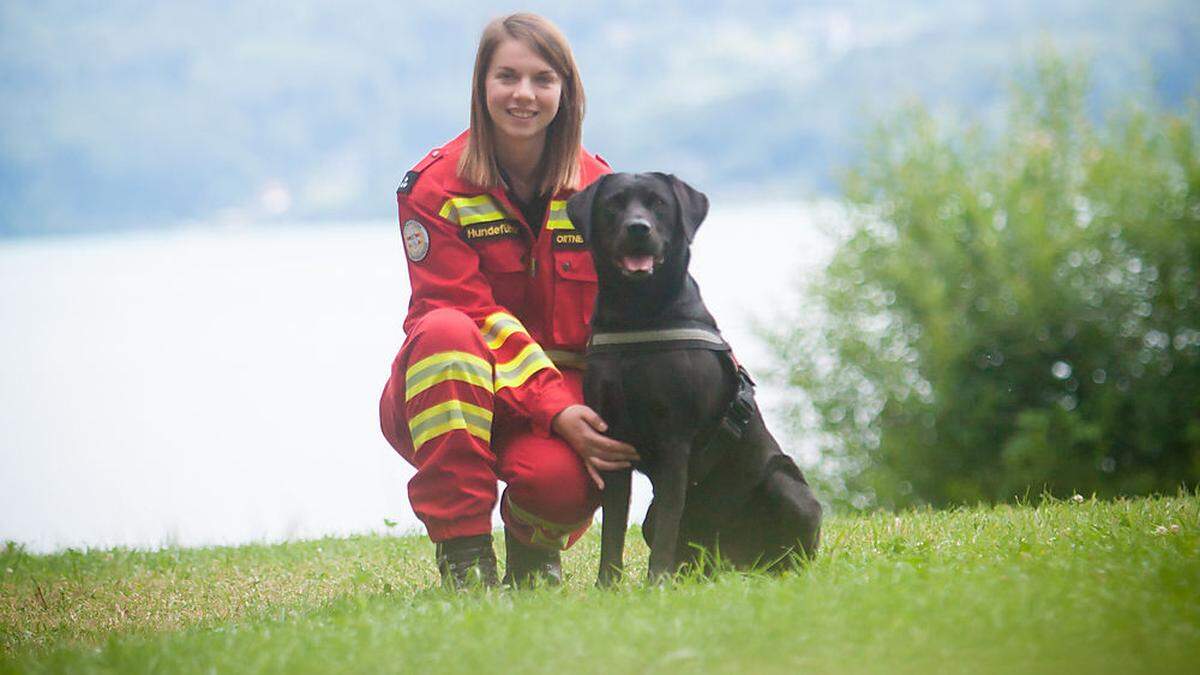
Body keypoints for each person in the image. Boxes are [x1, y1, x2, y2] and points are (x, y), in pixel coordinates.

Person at [379, 12, 639, 588]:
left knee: (572, 478)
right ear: (482, 85)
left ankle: (533, 551)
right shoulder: (434, 188)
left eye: (543, 79)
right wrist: (557, 409)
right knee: (448, 332)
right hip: (450, 393)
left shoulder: (601, 191)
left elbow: (637, 306)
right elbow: (464, 309)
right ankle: (465, 555)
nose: (524, 94)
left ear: (566, 92)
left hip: (556, 403)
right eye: (507, 77)